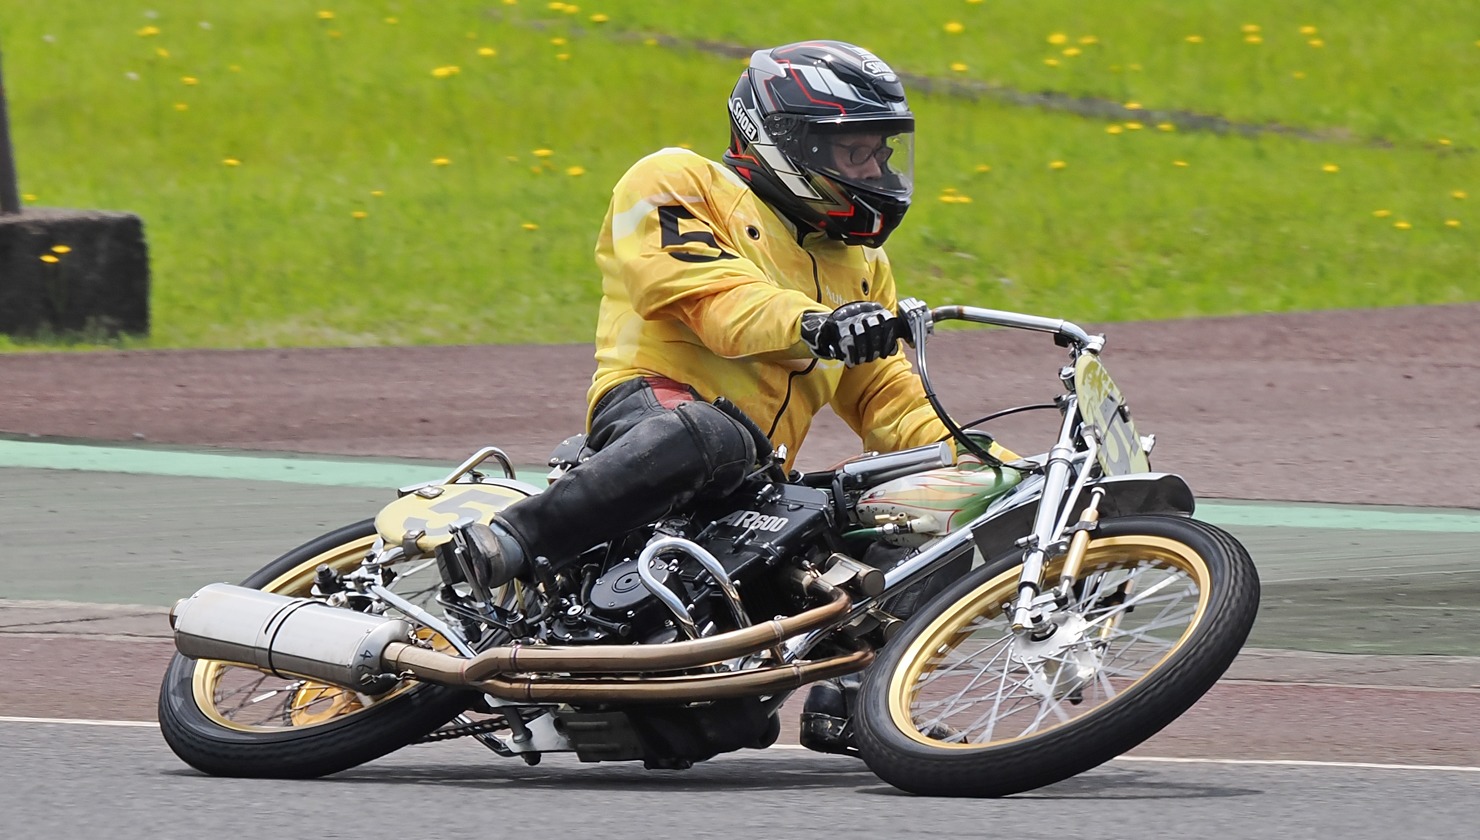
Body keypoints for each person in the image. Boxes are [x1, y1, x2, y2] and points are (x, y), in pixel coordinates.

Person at [450, 40, 1015, 755]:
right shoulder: (677, 180)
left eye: (881, 153)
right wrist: (814, 324)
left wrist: (1000, 474)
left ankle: (855, 698)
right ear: (789, 142)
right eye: (855, 155)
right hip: (654, 413)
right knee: (717, 434)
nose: (875, 171)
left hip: (754, 482)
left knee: (881, 526)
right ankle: (513, 542)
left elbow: (891, 401)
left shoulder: (863, 266)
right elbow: (702, 293)